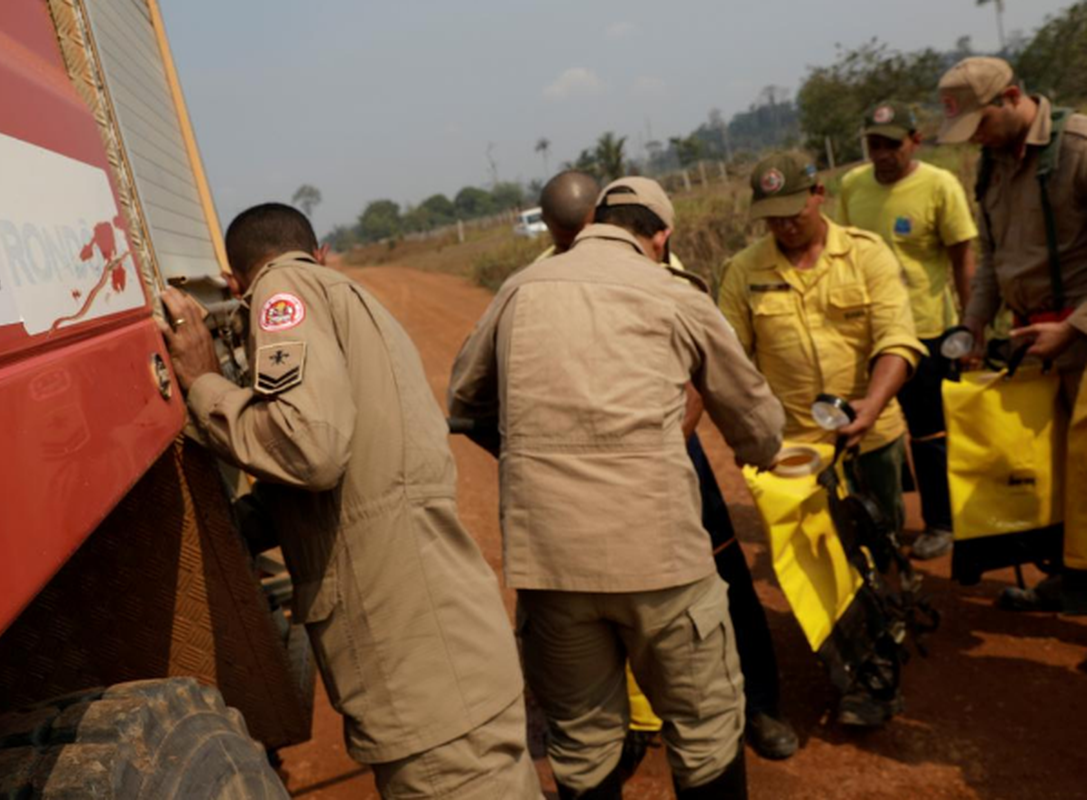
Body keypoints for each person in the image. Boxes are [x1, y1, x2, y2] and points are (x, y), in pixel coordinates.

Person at [157, 203, 542, 799]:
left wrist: (205, 385)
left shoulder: (281, 288)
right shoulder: (351, 299)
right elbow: (350, 476)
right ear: (323, 252)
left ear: (236, 282)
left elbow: (311, 449)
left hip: (420, 680)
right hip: (451, 663)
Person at [450, 177, 786, 800]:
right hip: (661, 562)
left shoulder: (520, 289)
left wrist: (528, 447)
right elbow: (757, 421)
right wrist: (760, 450)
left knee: (581, 743)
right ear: (661, 236)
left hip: (551, 567)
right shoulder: (674, 293)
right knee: (706, 730)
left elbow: (464, 395)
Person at [533, 171, 799, 763]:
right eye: (565, 238)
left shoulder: (667, 277)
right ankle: (624, 726)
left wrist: (656, 449)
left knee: (723, 579)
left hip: (668, 454)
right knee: (601, 596)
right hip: (584, 473)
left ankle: (760, 704)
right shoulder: (540, 285)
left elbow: (701, 380)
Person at [719, 153, 926, 724]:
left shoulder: (866, 255)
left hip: (871, 435)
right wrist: (749, 433)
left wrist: (872, 404)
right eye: (771, 218)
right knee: (822, 564)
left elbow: (898, 339)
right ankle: (865, 679)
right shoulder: (744, 271)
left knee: (877, 544)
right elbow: (728, 362)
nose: (784, 226)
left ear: (819, 193)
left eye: (793, 212)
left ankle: (886, 627)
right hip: (793, 455)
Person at [935, 57, 1087, 613]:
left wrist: (1072, 328)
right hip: (1038, 348)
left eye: (980, 123)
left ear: (1012, 96)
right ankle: (1072, 579)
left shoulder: (1076, 148)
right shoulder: (992, 164)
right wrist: (975, 321)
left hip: (1078, 336)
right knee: (1058, 474)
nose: (974, 137)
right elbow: (995, 258)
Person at [838, 101, 980, 560]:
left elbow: (963, 258)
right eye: (873, 144)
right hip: (869, 335)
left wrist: (969, 326)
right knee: (870, 430)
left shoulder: (940, 186)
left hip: (927, 333)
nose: (881, 154)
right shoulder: (852, 186)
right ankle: (879, 520)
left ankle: (940, 522)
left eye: (891, 144)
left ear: (915, 141)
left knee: (930, 434)